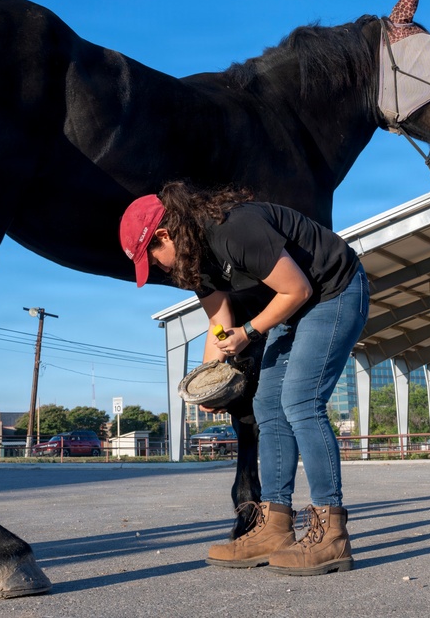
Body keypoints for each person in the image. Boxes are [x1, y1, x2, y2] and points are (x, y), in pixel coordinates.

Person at [119, 181, 369, 574]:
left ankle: (331, 532)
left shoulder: (235, 229)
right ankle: (274, 526)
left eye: (154, 259)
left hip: (333, 291)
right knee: (267, 405)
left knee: (301, 402)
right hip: (293, 305)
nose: (159, 270)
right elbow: (220, 324)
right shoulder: (194, 263)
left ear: (165, 235)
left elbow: (297, 288)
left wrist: (250, 332)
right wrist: (209, 379)